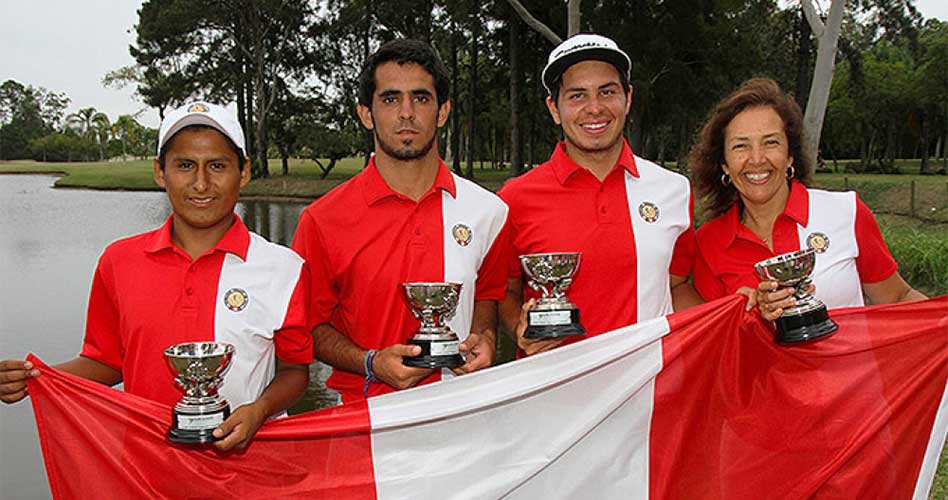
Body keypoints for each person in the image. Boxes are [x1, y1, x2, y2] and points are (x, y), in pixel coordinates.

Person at [0, 102, 313, 451]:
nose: (201, 183)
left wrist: (261, 410)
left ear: (243, 173)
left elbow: (294, 372)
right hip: (145, 466)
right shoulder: (119, 261)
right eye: (184, 166)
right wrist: (37, 378)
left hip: (249, 466)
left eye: (218, 166)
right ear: (160, 172)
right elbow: (107, 362)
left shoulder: (284, 267)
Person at [291, 39, 510, 403]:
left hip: (463, 420)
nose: (406, 113)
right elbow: (308, 327)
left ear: (442, 112)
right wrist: (370, 363)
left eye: (421, 98)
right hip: (366, 426)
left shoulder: (488, 212)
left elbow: (487, 295)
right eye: (391, 99)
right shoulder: (322, 219)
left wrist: (484, 336)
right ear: (366, 113)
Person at [498, 34, 701, 356]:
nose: (595, 109)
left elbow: (675, 285)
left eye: (607, 92)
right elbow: (504, 292)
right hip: (553, 396)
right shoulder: (514, 198)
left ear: (627, 98)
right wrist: (518, 328)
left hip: (648, 390)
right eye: (577, 96)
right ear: (554, 108)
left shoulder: (673, 190)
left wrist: (731, 316)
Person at [689, 78, 926, 319]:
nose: (757, 158)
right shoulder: (708, 243)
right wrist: (744, 313)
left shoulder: (846, 212)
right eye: (741, 146)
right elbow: (714, 339)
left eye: (771, 142)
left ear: (790, 155)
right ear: (724, 165)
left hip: (849, 358)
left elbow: (898, 298)